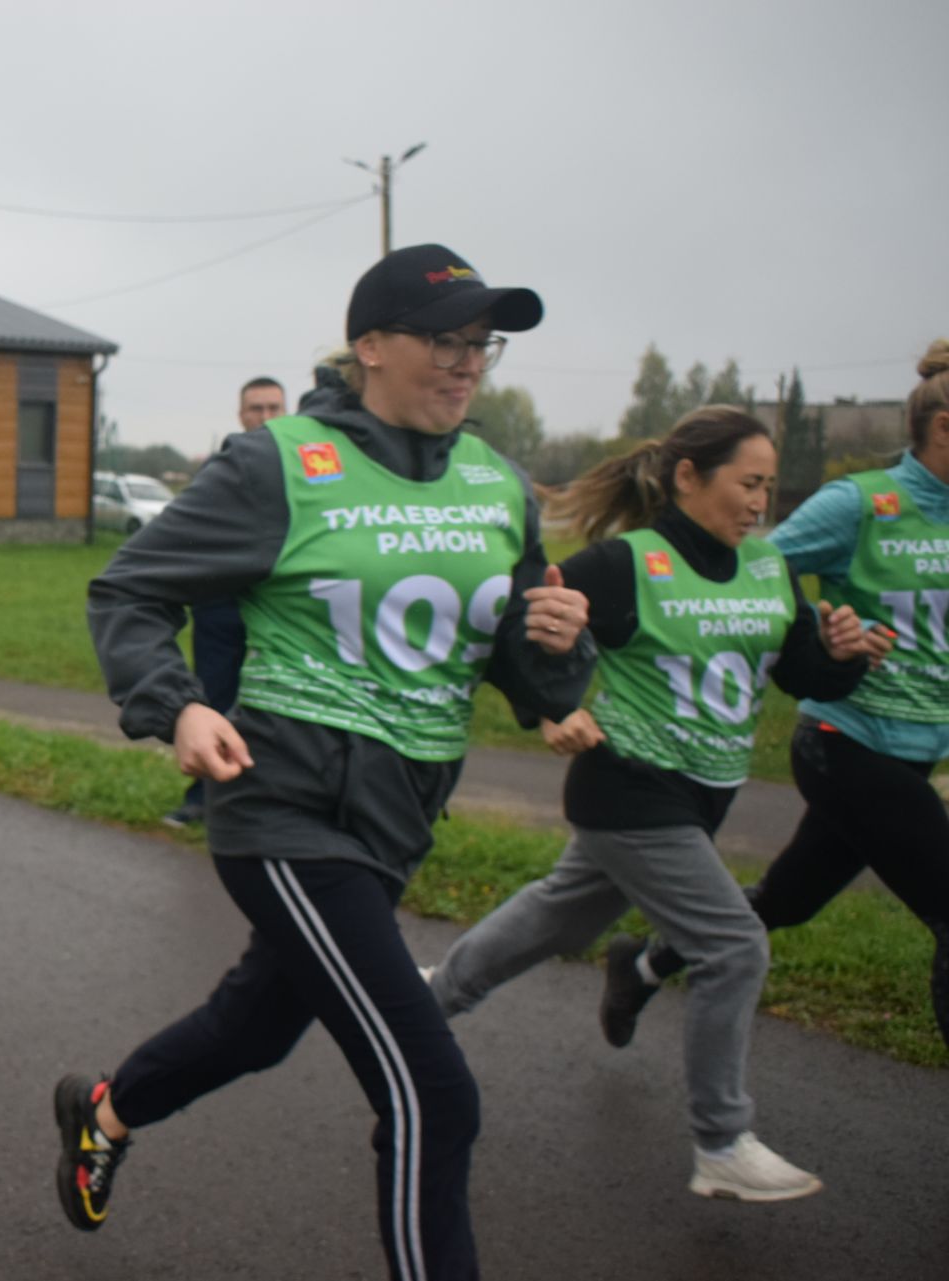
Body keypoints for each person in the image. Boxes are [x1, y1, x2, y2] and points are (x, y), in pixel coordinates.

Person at [57, 244, 588, 1281]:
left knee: (255, 1027)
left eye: (482, 343)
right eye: (444, 339)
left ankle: (105, 1113)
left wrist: (564, 645)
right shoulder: (279, 464)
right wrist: (178, 708)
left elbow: (527, 675)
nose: (466, 361)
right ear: (370, 347)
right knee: (431, 1090)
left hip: (400, 817)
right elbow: (126, 593)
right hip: (283, 806)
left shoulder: (498, 484)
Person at [426, 407, 878, 1203]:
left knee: (562, 915)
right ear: (687, 478)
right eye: (747, 483)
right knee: (734, 944)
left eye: (768, 486)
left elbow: (800, 672)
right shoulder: (627, 564)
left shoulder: (769, 566)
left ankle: (429, 1000)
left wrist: (839, 657)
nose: (760, 502)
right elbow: (524, 637)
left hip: (699, 797)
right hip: (628, 787)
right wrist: (552, 708)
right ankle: (721, 1139)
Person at [603, 341, 949, 1054]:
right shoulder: (861, 503)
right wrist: (823, 629)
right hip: (847, 742)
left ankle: (644, 963)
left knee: (786, 899)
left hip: (919, 749)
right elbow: (755, 565)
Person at [164, 376, 287, 827]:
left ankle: (267, 801)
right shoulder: (221, 470)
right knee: (214, 698)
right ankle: (203, 798)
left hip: (280, 610)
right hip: (221, 606)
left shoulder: (302, 470)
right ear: (240, 415)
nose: (265, 417)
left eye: (274, 408)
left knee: (277, 706)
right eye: (256, 408)